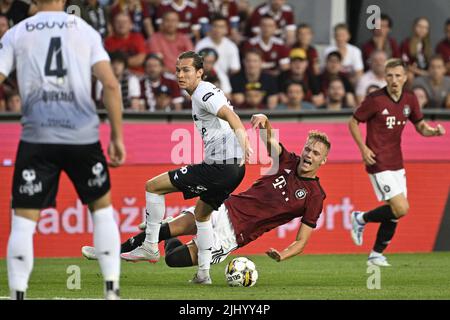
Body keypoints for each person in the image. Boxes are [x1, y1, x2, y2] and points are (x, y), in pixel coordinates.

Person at [82, 115, 329, 269]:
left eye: (315, 153)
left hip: (234, 236)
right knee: (163, 229)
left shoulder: (315, 196)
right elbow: (269, 142)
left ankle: (169, 241)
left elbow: (301, 241)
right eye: (308, 149)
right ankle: (112, 251)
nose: (308, 155)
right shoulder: (287, 161)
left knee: (174, 259)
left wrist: (282, 255)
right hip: (223, 208)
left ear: (323, 161)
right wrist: (264, 121)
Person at [0, 0, 126, 299]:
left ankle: (18, 292)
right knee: (102, 211)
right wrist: (117, 137)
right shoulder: (85, 30)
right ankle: (111, 290)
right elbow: (110, 84)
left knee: (23, 220)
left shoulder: (17, 33)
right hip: (82, 137)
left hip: (38, 137)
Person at [120, 51, 252, 285]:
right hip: (233, 170)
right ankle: (203, 274)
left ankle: (150, 246)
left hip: (221, 167)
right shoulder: (202, 92)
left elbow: (230, 115)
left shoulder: (203, 92)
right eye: (178, 70)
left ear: (200, 72)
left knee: (153, 187)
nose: (180, 75)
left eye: (187, 70)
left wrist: (245, 142)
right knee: (202, 215)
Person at [348, 59, 446, 267]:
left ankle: (376, 254)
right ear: (385, 77)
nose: (394, 80)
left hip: (397, 162)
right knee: (401, 207)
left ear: (405, 77)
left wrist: (433, 131)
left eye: (398, 75)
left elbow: (420, 126)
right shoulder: (375, 100)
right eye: (390, 75)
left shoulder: (410, 99)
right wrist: (363, 149)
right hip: (378, 161)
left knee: (394, 211)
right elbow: (353, 122)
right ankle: (360, 218)